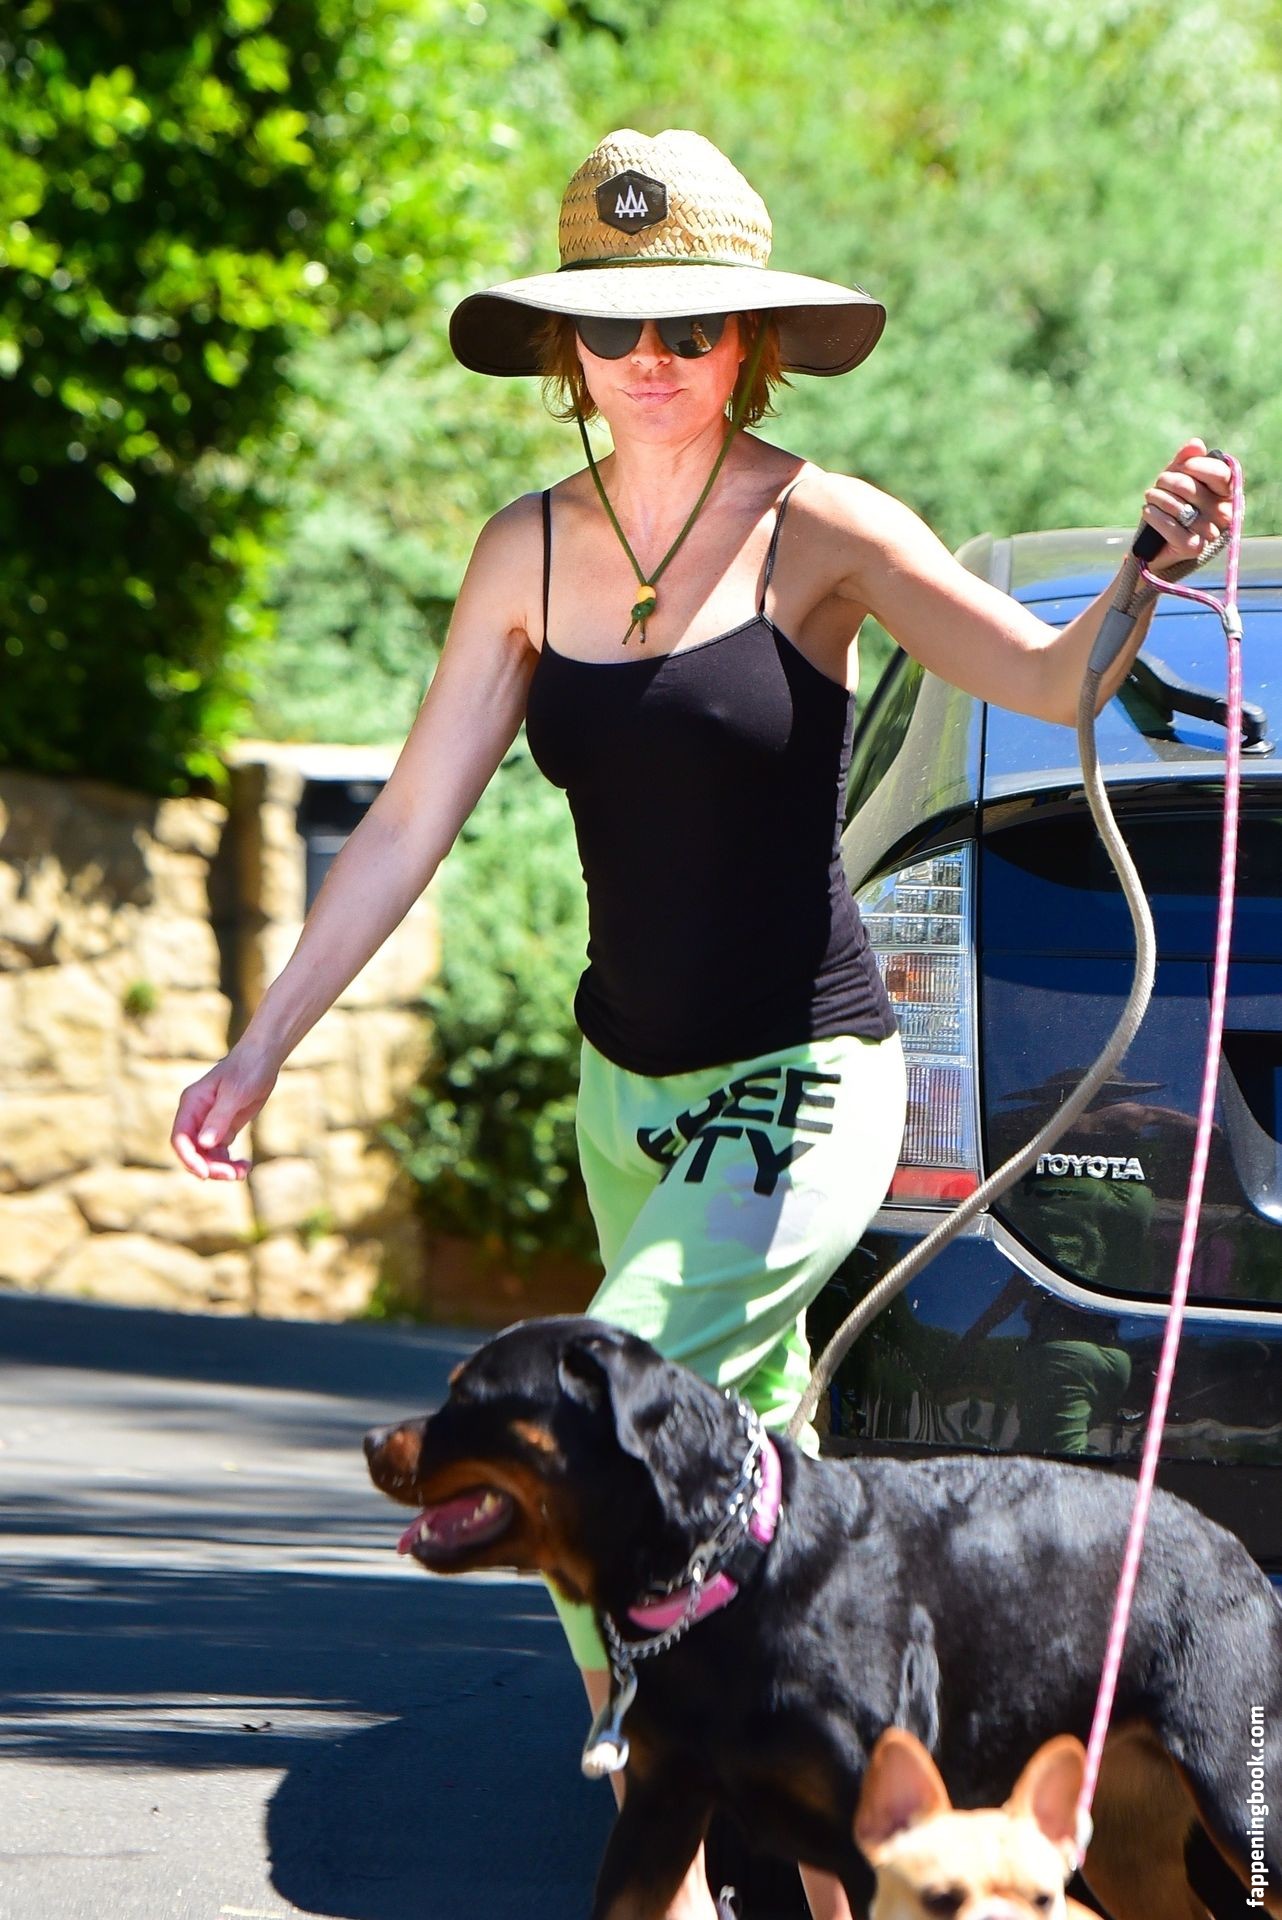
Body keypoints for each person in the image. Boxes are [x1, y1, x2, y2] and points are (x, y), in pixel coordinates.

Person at [171, 129, 1234, 1920]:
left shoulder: (821, 525)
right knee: (748, 1492)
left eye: (691, 327)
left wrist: (1144, 560)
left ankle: (656, 1811)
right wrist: (260, 1042)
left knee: (604, 1405)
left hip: (801, 1075)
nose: (650, 358)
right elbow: (413, 819)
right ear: (565, 352)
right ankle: (813, 1848)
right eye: (614, 329)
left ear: (750, 343)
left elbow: (1049, 678)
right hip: (625, 1095)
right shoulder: (525, 549)